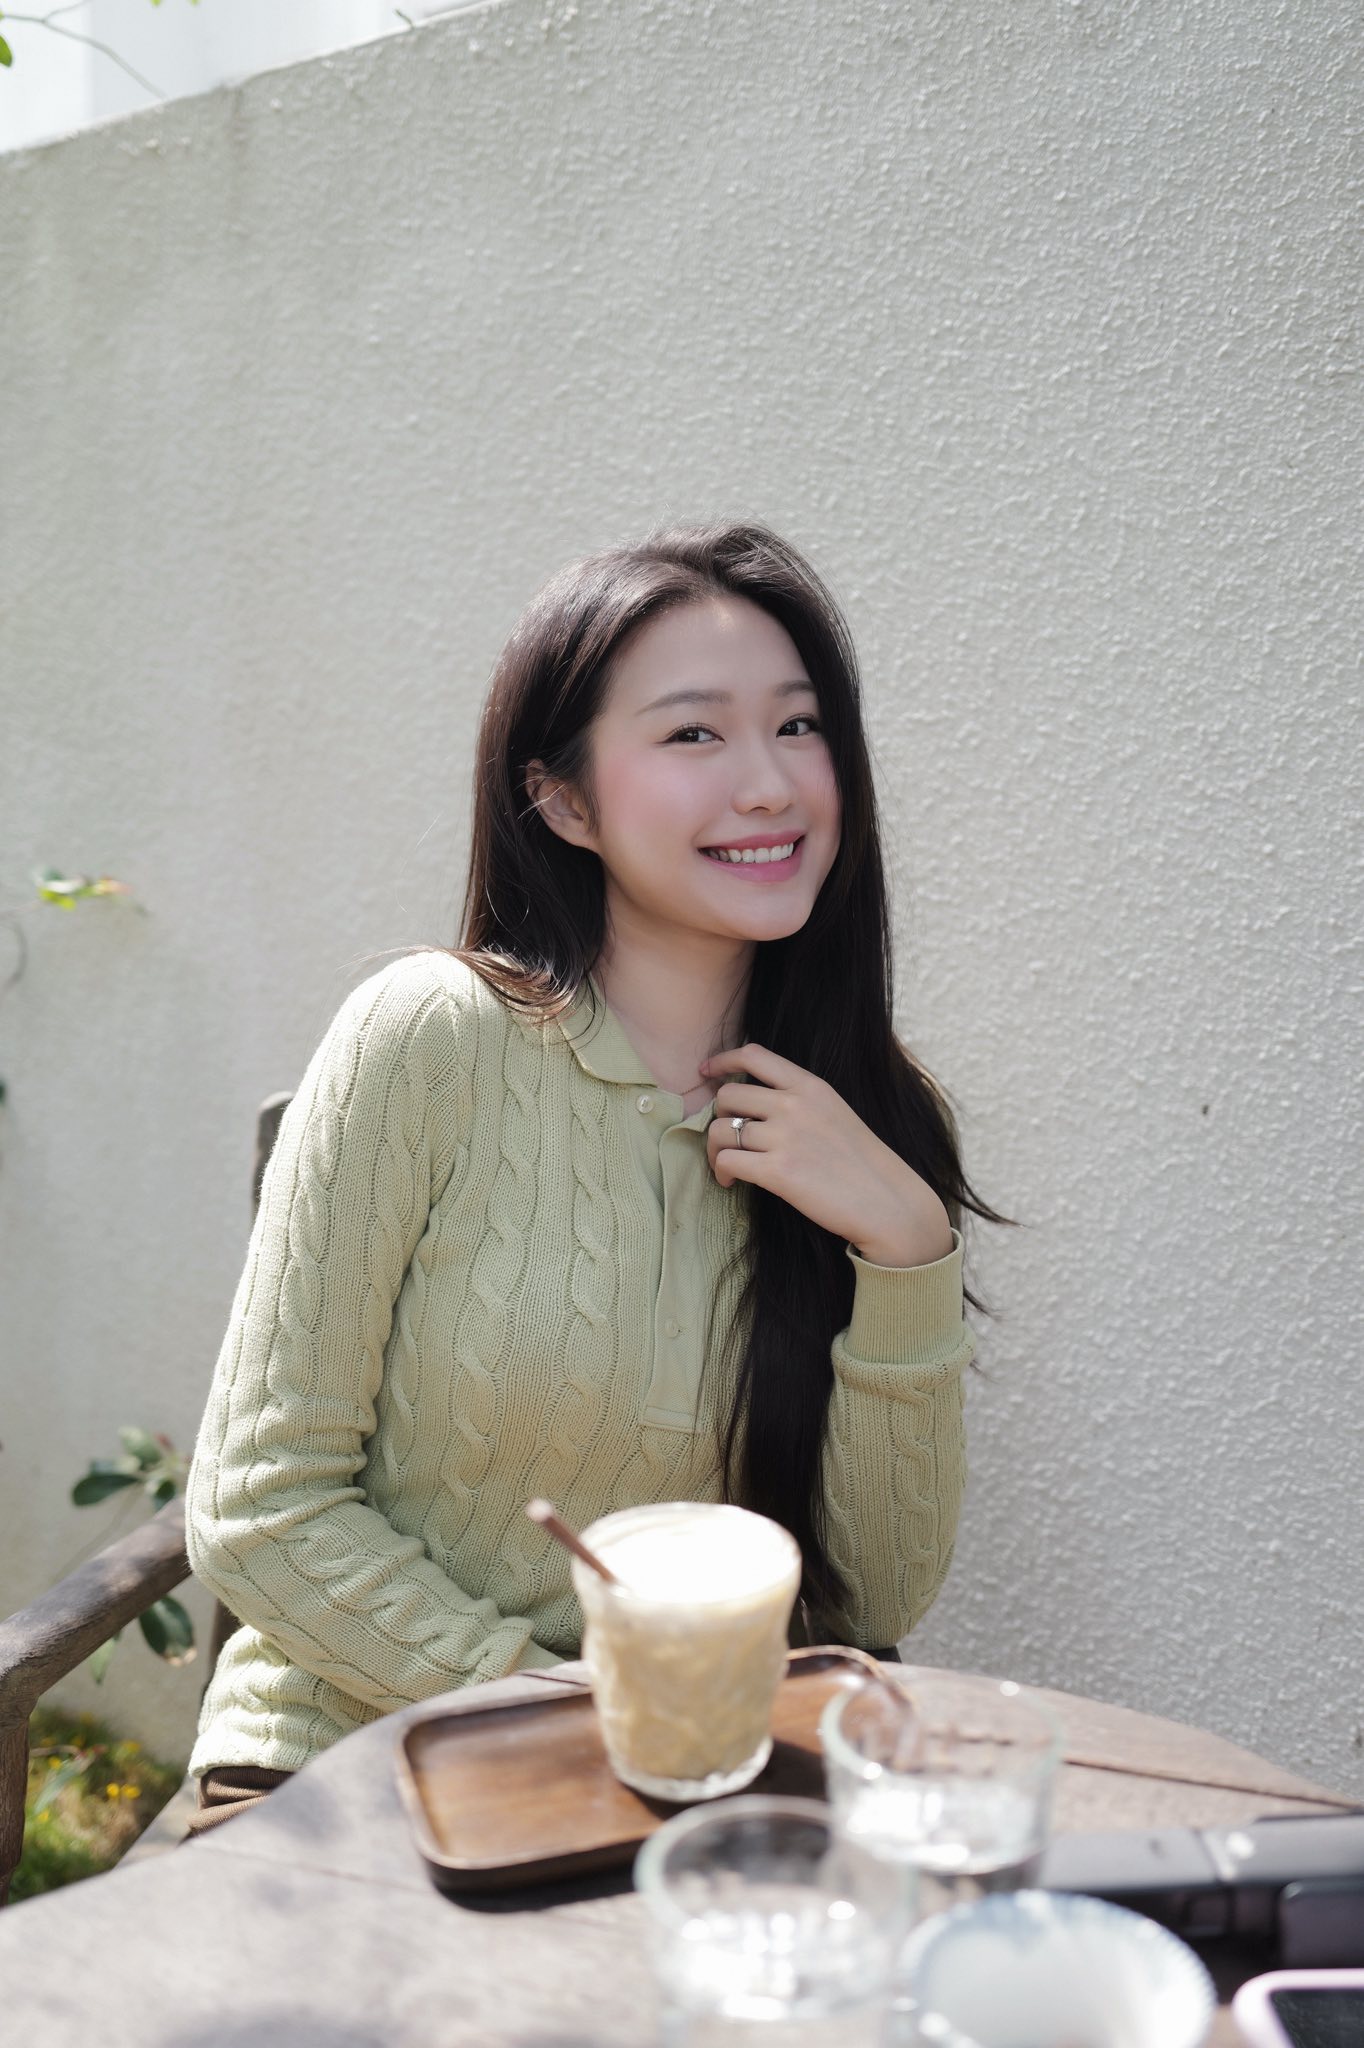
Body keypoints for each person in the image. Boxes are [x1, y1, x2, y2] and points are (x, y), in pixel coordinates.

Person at [183, 520, 1002, 1832]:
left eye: (798, 726)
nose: (770, 785)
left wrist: (907, 1245)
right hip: (352, 1764)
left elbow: (875, 1599)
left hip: (685, 1791)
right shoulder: (432, 1038)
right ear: (563, 802)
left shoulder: (875, 1125)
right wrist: (568, 1708)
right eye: (694, 733)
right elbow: (259, 1504)